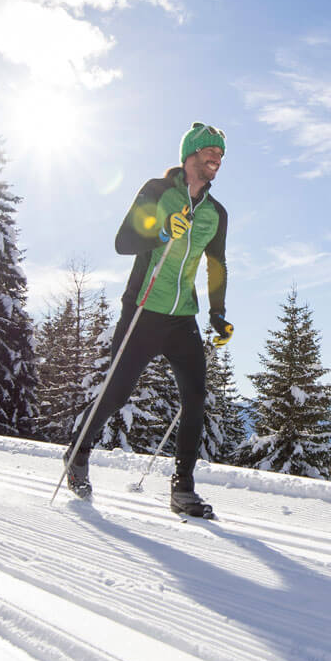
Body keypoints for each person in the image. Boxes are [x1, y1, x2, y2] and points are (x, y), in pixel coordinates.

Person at [64, 123, 233, 517]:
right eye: (210, 151)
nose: (217, 159)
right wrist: (160, 233)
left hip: (182, 318)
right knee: (117, 392)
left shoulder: (215, 213)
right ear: (189, 155)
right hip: (142, 309)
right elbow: (123, 242)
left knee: (195, 399)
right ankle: (77, 453)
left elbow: (217, 264)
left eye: (221, 155)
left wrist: (218, 314)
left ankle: (183, 490)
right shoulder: (157, 192)